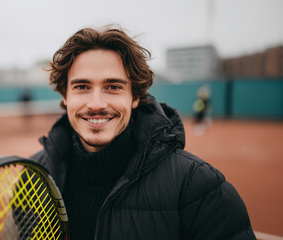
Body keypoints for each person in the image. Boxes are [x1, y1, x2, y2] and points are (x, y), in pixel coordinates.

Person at [31, 25, 255, 239]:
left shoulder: (200, 187)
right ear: (65, 96)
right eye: (82, 87)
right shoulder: (33, 176)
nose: (96, 104)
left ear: (135, 97)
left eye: (113, 87)